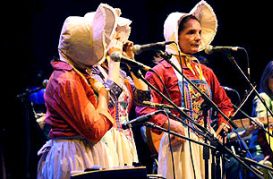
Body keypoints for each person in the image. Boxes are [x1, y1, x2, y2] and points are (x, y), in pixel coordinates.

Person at [136, 1, 239, 178]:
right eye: (191, 32)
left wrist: (223, 126)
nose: (198, 37)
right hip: (178, 146)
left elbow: (225, 104)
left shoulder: (205, 72)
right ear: (175, 36)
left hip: (208, 146)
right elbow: (145, 108)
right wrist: (171, 124)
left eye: (199, 32)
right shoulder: (160, 71)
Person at [36, 3, 136, 178]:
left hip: (84, 150)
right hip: (74, 155)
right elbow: (95, 129)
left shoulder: (78, 73)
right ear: (83, 45)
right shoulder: (67, 79)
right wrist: (103, 95)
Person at [85, 8, 150, 166]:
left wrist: (132, 64)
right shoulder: (89, 70)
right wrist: (115, 60)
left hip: (124, 138)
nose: (116, 39)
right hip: (104, 140)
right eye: (111, 33)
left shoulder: (119, 72)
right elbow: (110, 99)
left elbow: (144, 99)